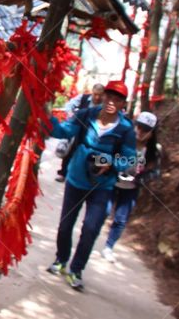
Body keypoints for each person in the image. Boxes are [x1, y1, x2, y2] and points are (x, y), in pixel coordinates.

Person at [46, 80, 137, 291]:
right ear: (103, 96)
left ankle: (76, 269)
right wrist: (46, 113)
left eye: (118, 99)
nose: (112, 102)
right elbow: (63, 131)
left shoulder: (126, 129)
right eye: (109, 96)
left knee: (90, 229)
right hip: (76, 178)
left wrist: (110, 164)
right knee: (65, 224)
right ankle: (61, 260)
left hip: (102, 187)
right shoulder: (87, 114)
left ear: (124, 104)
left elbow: (130, 160)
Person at [101, 111, 161, 262]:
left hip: (131, 188)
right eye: (138, 127)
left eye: (145, 129)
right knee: (103, 211)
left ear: (152, 133)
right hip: (113, 181)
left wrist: (142, 178)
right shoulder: (123, 139)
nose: (140, 132)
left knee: (121, 219)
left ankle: (109, 246)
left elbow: (155, 171)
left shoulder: (155, 151)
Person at [56, 84, 105, 182]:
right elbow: (69, 105)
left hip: (93, 133)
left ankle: (85, 177)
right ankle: (63, 173)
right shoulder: (83, 98)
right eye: (95, 94)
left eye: (100, 95)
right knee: (71, 150)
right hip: (79, 129)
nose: (97, 97)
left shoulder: (104, 105)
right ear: (92, 92)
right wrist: (72, 116)